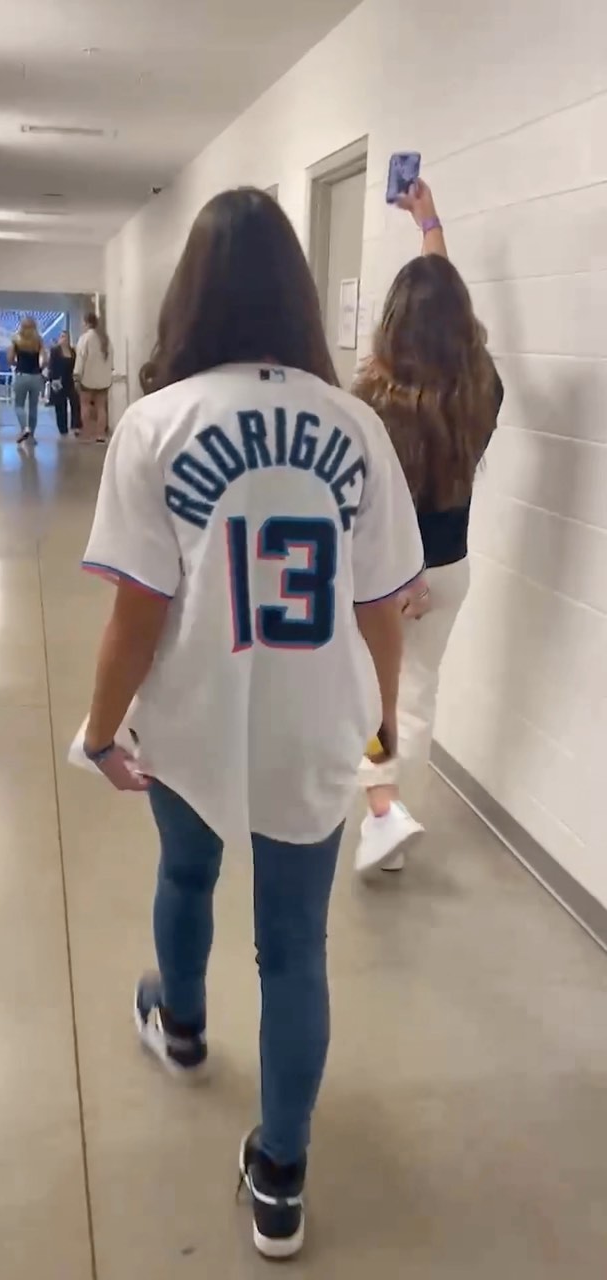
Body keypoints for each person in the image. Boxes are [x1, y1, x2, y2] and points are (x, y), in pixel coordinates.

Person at [79, 188, 423, 1259]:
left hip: (191, 717)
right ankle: (280, 1177)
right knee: (295, 948)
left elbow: (137, 611)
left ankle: (181, 1025)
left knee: (186, 874)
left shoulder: (156, 422)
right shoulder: (357, 427)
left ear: (190, 294)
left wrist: (99, 731)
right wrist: (383, 725)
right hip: (314, 726)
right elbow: (380, 607)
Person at [351, 180, 503, 875]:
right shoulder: (482, 390)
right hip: (450, 570)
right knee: (416, 694)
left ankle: (381, 809)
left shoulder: (371, 400)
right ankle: (389, 824)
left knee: (372, 695)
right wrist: (428, 222)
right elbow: (442, 307)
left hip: (390, 573)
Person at [74, 311, 112, 442]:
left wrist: (77, 375)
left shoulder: (85, 338)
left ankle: (88, 433)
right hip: (104, 380)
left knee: (85, 405)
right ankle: (100, 434)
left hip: (87, 379)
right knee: (101, 407)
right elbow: (110, 361)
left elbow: (80, 359)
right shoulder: (105, 339)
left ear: (86, 323)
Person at [8, 317, 45, 444]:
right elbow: (45, 359)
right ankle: (32, 436)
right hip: (36, 376)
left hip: (21, 375)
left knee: (19, 405)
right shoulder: (39, 341)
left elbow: (10, 358)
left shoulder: (16, 340)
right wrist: (40, 368)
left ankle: (24, 428)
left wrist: (17, 364)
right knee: (33, 407)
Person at [48, 330, 81, 436]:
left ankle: (75, 426)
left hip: (69, 380)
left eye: (66, 337)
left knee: (75, 402)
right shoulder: (55, 351)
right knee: (60, 405)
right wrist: (52, 380)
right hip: (58, 380)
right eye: (62, 337)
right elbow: (51, 366)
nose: (64, 339)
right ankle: (62, 428)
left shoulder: (72, 351)